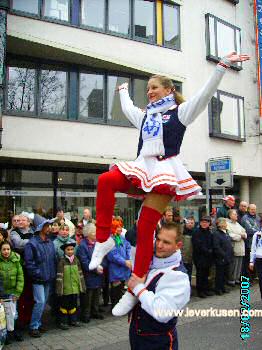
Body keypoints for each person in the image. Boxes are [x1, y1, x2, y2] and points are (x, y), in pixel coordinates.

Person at [88, 52, 250, 315]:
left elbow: (205, 95)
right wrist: (122, 91)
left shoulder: (181, 112)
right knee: (106, 180)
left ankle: (135, 286)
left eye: (154, 87)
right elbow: (129, 108)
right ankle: (103, 240)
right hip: (142, 168)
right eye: (148, 88)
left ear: (168, 90)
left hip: (164, 172)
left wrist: (221, 66)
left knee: (145, 227)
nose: (150, 92)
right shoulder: (145, 116)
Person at [128, 222, 190, 350]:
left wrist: (138, 288)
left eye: (166, 242)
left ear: (178, 246)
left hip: (158, 341)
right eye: (158, 239)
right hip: (138, 336)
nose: (159, 245)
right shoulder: (153, 261)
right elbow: (133, 237)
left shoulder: (178, 276)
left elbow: (162, 312)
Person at [24, 219, 56, 338]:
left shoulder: (49, 242)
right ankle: (33, 326)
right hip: (39, 279)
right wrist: (38, 274)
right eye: (47, 226)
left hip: (48, 277)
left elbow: (52, 259)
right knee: (40, 302)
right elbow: (29, 263)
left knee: (42, 303)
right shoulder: (31, 243)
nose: (49, 228)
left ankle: (38, 323)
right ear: (40, 228)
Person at [77, 223, 105, 323]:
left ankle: (95, 311)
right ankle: (86, 314)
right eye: (94, 232)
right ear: (88, 234)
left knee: (97, 294)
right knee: (87, 296)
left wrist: (101, 265)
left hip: (98, 274)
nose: (96, 234)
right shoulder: (82, 246)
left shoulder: (97, 243)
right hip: (88, 275)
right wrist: (95, 268)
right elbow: (84, 262)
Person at [56, 241, 86, 330]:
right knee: (64, 306)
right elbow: (59, 277)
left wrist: (82, 286)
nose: (70, 251)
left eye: (72, 249)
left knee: (73, 305)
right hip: (65, 289)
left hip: (75, 288)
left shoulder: (76, 260)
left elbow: (80, 274)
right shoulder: (62, 262)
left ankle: (73, 320)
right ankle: (63, 322)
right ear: (64, 251)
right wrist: (59, 289)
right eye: (68, 250)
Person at [0, 240, 24, 344]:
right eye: (4, 249)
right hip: (2, 293)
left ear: (11, 250)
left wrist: (17, 293)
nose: (6, 251)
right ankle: (6, 336)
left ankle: (15, 332)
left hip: (13, 293)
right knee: (4, 315)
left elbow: (20, 277)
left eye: (8, 249)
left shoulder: (16, 260)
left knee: (14, 314)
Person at [107, 225, 132, 307]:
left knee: (121, 287)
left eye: (120, 229)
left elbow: (128, 247)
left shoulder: (121, 238)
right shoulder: (110, 240)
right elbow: (113, 255)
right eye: (117, 229)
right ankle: (114, 306)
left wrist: (128, 258)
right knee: (115, 289)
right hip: (115, 269)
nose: (120, 230)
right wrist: (124, 261)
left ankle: (120, 306)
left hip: (123, 268)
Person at [192, 216, 214, 298]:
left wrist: (211, 250)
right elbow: (197, 245)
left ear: (209, 224)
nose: (205, 224)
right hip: (199, 257)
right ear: (200, 223)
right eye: (203, 222)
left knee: (206, 274)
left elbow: (211, 242)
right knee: (200, 274)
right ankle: (200, 291)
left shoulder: (209, 232)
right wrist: (207, 251)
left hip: (208, 257)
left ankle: (206, 289)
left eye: (207, 222)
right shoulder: (196, 232)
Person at [213, 218, 234, 295]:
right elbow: (216, 247)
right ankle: (218, 289)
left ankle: (223, 287)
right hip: (221, 258)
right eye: (225, 223)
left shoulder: (226, 232)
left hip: (227, 257)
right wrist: (223, 255)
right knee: (219, 274)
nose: (226, 224)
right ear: (220, 224)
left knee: (225, 274)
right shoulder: (216, 234)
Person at [226, 209, 247, 285]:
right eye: (234, 214)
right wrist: (240, 236)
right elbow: (230, 235)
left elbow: (244, 232)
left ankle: (237, 278)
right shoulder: (227, 224)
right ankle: (231, 279)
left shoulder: (238, 224)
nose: (236, 215)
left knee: (239, 264)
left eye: (236, 214)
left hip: (241, 247)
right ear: (230, 215)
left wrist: (242, 235)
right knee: (233, 265)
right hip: (234, 247)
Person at [241, 204, 260, 280]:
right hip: (248, 243)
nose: (253, 211)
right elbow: (248, 230)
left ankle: (254, 276)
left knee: (256, 261)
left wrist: (257, 231)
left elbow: (259, 229)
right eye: (251, 209)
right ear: (248, 209)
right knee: (248, 262)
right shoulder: (245, 218)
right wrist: (257, 231)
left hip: (257, 244)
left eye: (254, 209)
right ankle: (247, 279)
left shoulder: (257, 218)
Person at [182, 216, 196, 284]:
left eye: (192, 223)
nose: (190, 224)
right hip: (182, 258)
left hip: (191, 258)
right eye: (188, 222)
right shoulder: (181, 232)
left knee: (189, 275)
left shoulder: (195, 233)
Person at [249, 229, 262, 299]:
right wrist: (251, 261)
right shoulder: (257, 234)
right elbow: (253, 248)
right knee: (261, 280)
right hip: (259, 259)